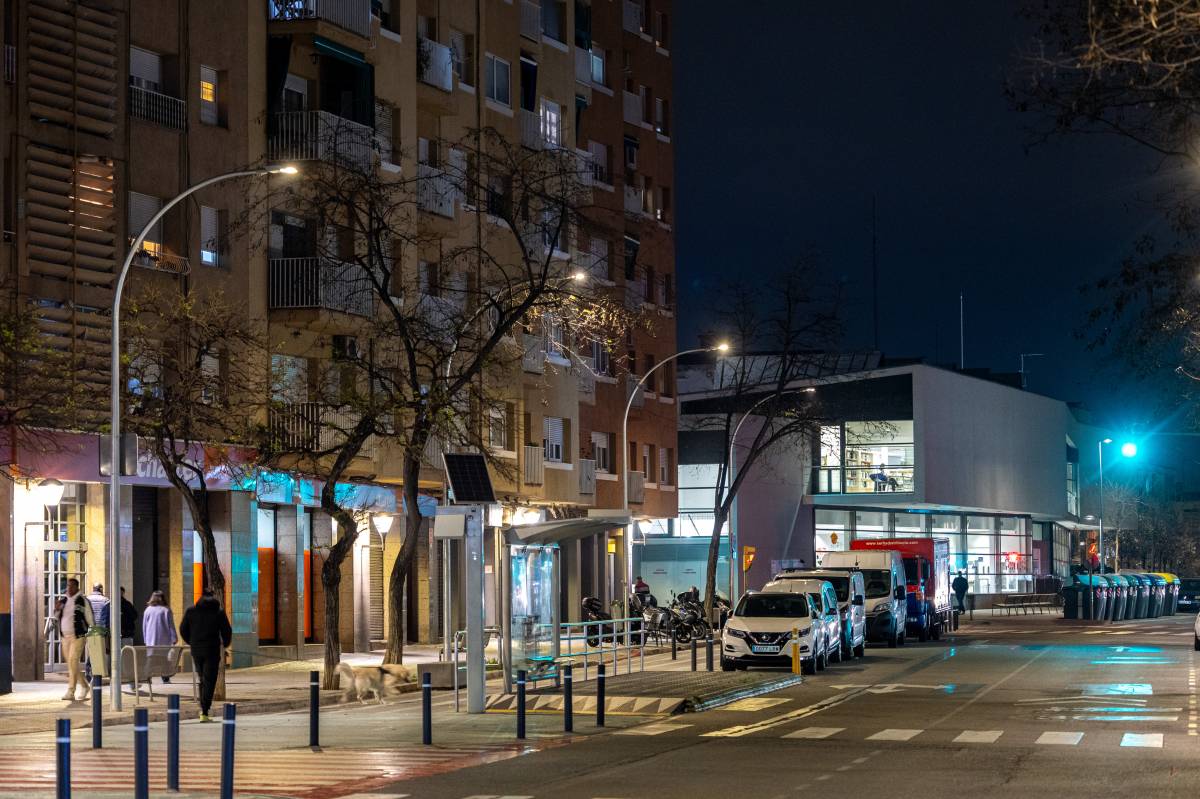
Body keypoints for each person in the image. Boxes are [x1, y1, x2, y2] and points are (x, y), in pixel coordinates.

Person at [180, 589, 232, 722]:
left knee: (202, 677)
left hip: (197, 650)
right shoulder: (218, 612)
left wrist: (192, 641)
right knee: (209, 680)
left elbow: (183, 629)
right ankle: (204, 710)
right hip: (212, 650)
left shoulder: (191, 611)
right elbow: (227, 631)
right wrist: (225, 644)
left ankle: (203, 707)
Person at [56, 578, 94, 700]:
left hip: (77, 636)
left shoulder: (82, 600)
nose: (69, 588)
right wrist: (57, 609)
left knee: (73, 661)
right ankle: (85, 686)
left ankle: (71, 691)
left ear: (77, 587)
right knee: (72, 664)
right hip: (64, 637)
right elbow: (57, 616)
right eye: (68, 586)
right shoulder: (64, 600)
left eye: (72, 586)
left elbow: (89, 616)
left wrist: (92, 632)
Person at [142, 591, 178, 684]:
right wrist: (174, 638)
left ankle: (147, 677)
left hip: (150, 640)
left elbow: (144, 626)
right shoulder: (166, 610)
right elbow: (171, 626)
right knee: (164, 659)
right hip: (164, 640)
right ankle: (165, 678)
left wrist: (145, 639)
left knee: (150, 659)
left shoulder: (148, 610)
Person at [84, 583, 110, 682]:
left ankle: (89, 671)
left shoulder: (87, 599)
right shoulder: (106, 600)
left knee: (92, 650)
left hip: (89, 628)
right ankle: (92, 671)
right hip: (100, 629)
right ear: (101, 589)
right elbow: (107, 617)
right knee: (98, 651)